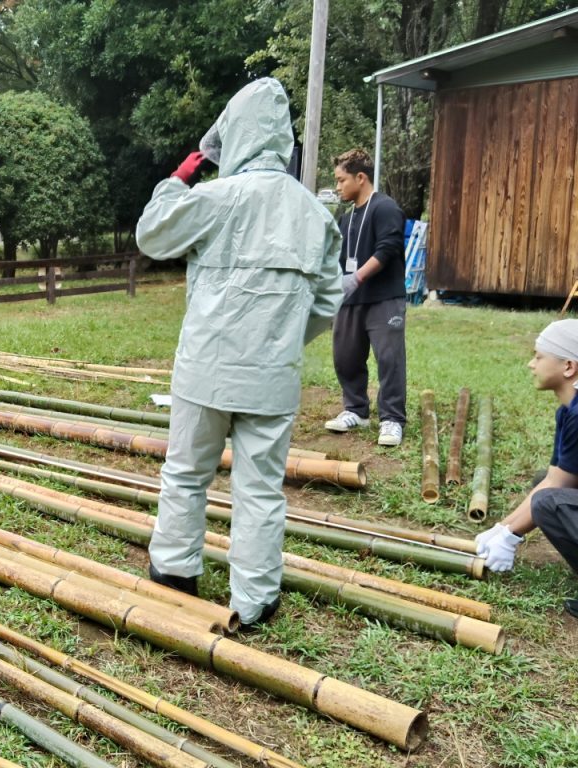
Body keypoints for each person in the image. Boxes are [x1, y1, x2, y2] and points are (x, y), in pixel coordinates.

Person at [134, 78, 343, 629]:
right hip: (272, 378)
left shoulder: (215, 198)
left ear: (236, 134)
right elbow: (327, 300)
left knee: (185, 474)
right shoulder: (314, 213)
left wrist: (177, 179)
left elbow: (151, 237)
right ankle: (255, 600)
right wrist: (279, 342)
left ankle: (176, 574)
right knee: (260, 491)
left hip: (205, 370)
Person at [475, 319, 578, 619]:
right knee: (542, 489)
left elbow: (553, 490)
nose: (531, 364)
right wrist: (501, 528)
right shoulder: (568, 411)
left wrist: (510, 536)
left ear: (568, 367)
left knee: (548, 502)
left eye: (539, 356)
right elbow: (553, 477)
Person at [324, 148, 408, 447]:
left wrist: (357, 277)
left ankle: (392, 419)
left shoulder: (385, 208)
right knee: (345, 357)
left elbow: (387, 248)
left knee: (389, 359)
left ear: (361, 178)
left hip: (384, 297)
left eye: (341, 180)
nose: (338, 187)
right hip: (350, 300)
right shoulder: (346, 217)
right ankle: (356, 410)